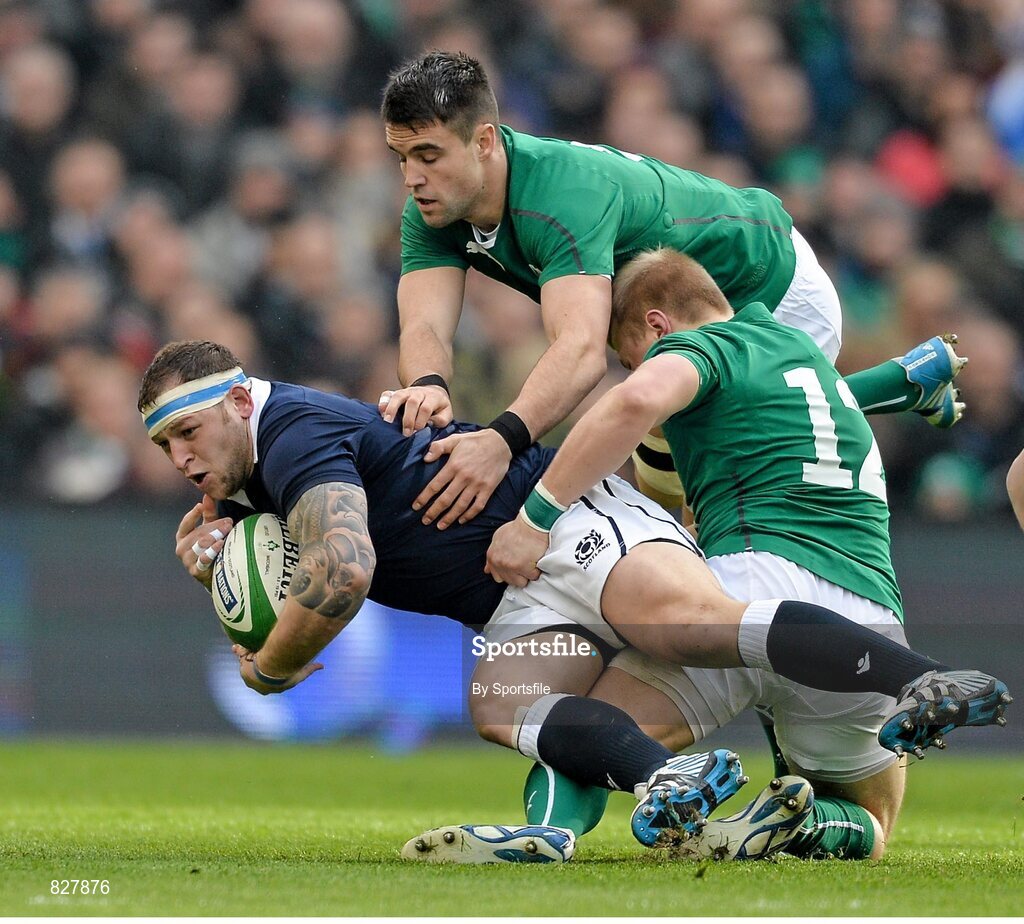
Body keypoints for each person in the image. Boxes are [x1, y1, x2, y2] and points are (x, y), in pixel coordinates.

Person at [140, 340, 1005, 862]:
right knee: (501, 702)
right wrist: (216, 553)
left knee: (686, 624)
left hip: (555, 518)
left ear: (241, 399)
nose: (180, 457)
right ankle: (660, 779)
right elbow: (282, 549)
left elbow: (345, 568)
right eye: (163, 444)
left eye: (187, 431)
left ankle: (922, 678)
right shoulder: (258, 465)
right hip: (515, 597)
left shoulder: (288, 431)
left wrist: (272, 665)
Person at [484, 247, 1010, 860]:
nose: (633, 371)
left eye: (629, 357)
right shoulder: (806, 364)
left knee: (593, 734)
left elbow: (635, 404)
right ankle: (803, 824)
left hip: (750, 588)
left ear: (657, 325)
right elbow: (824, 397)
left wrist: (537, 517)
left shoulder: (701, 347)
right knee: (872, 822)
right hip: (865, 620)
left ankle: (549, 834)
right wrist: (905, 381)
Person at [377, 50, 965, 533]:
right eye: (402, 157)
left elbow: (580, 353)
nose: (412, 178)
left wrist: (501, 440)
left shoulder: (561, 197)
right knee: (668, 460)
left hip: (766, 287)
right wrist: (428, 385)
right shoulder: (432, 209)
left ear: (483, 142)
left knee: (715, 476)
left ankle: (896, 384)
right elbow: (425, 326)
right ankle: (908, 380)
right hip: (670, 317)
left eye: (429, 155)